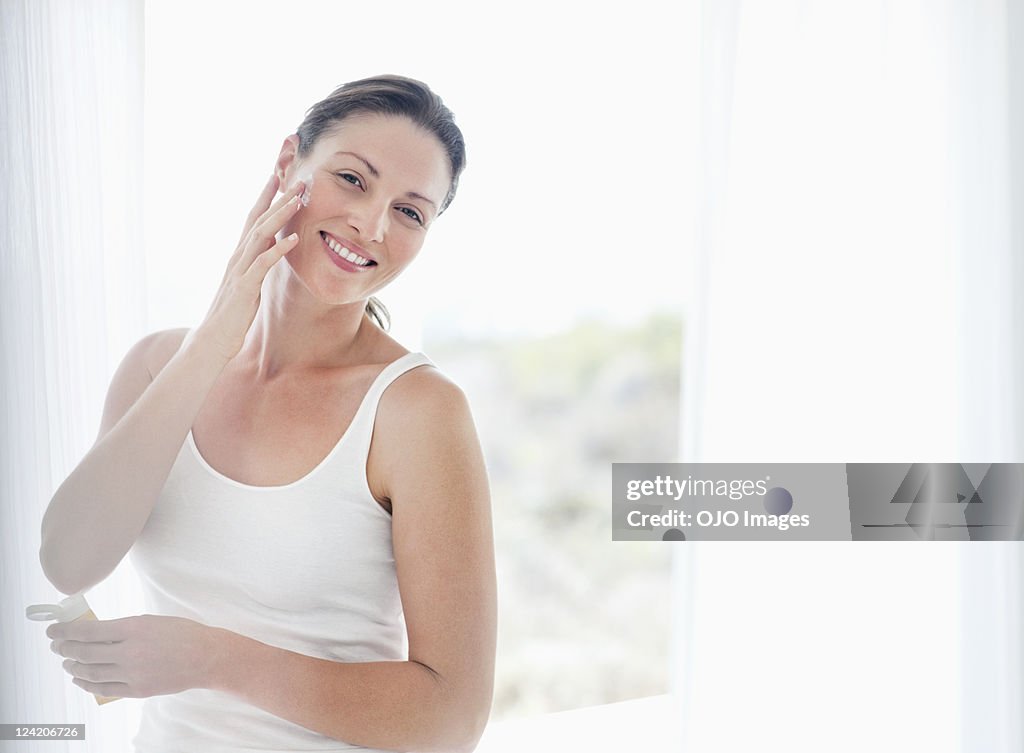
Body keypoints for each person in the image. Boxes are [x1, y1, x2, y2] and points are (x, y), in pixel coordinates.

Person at [38, 75, 496, 753]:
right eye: (352, 178)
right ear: (288, 164)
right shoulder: (156, 366)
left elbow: (450, 718)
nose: (371, 224)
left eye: (410, 212)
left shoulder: (416, 411)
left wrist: (212, 658)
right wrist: (217, 334)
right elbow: (68, 560)